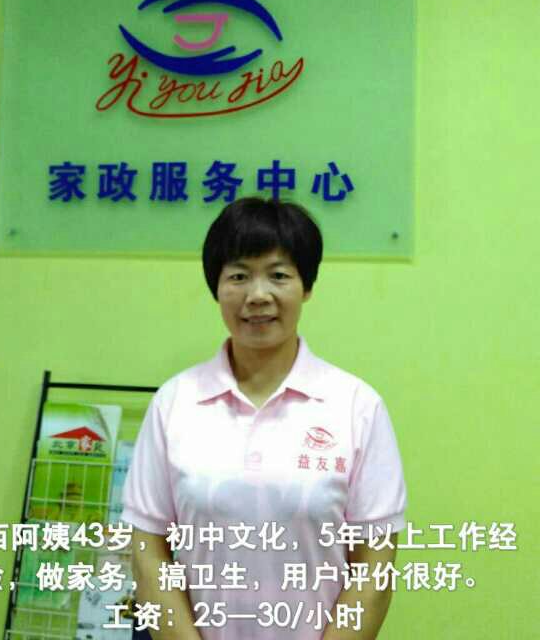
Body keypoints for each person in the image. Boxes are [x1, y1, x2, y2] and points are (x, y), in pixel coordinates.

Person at [122, 197, 407, 639]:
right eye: (238, 276)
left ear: (306, 286)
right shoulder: (173, 403)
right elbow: (148, 552)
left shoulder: (357, 406)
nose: (257, 295)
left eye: (278, 275)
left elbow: (374, 570)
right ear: (216, 287)